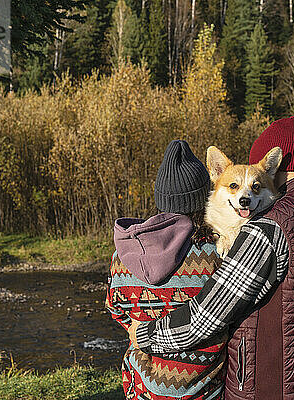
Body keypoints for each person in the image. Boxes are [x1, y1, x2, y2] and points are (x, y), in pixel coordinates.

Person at [130, 117, 294, 400]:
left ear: (275, 169)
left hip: (274, 385)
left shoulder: (268, 229)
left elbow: (206, 318)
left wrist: (145, 335)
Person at [106, 140, 227, 400]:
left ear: (161, 198)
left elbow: (116, 309)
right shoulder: (216, 253)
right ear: (204, 197)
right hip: (203, 390)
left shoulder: (123, 254)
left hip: (141, 387)